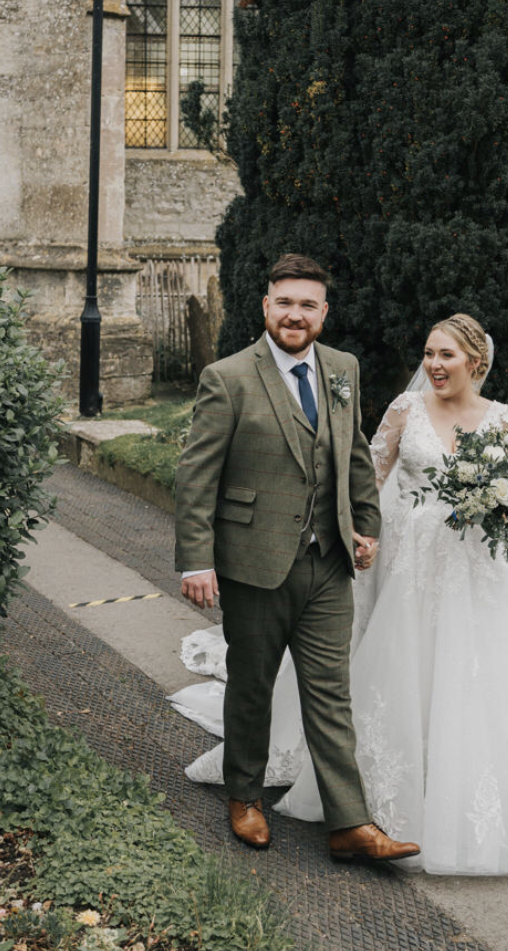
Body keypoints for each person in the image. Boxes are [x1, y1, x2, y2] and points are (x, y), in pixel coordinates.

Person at [173, 312, 508, 877]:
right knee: (390, 667)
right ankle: (352, 804)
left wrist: (497, 503)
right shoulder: (406, 409)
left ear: (476, 362)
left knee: (474, 671)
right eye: (429, 354)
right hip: (408, 566)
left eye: (446, 355)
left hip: (474, 570)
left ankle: (457, 789)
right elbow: (365, 478)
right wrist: (358, 534)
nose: (434, 365)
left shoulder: (505, 420)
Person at [174, 253, 420, 863]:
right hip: (253, 563)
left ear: (323, 313)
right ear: (266, 306)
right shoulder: (227, 377)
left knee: (331, 695)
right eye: (285, 302)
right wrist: (196, 561)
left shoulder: (342, 368)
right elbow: (197, 477)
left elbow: (354, 454)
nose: (295, 314)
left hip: (328, 562)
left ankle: (349, 823)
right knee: (252, 688)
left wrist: (365, 527)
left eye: (308, 305)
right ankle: (244, 797)